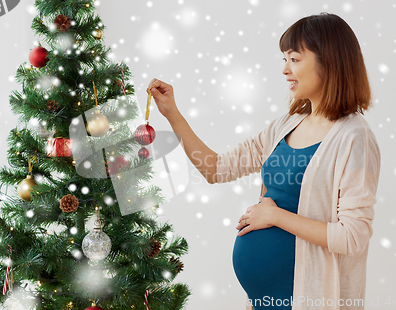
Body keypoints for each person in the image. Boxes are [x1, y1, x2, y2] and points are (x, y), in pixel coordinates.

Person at [146, 12, 381, 310]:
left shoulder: (354, 137)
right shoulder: (286, 124)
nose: (285, 70)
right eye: (284, 59)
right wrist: (172, 114)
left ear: (329, 61)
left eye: (294, 59)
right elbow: (216, 168)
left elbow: (352, 237)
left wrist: (274, 216)